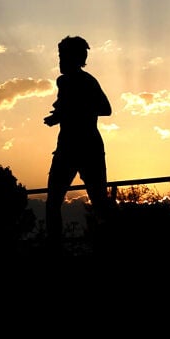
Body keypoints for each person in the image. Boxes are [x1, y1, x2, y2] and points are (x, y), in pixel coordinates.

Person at [44, 34, 115, 248]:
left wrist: (68, 113)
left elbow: (106, 109)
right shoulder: (63, 82)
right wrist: (60, 116)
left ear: (75, 58)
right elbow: (66, 109)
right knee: (52, 204)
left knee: (100, 204)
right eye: (59, 56)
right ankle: (55, 249)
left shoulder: (87, 81)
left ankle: (110, 245)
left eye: (63, 56)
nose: (60, 60)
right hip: (65, 149)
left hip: (88, 150)